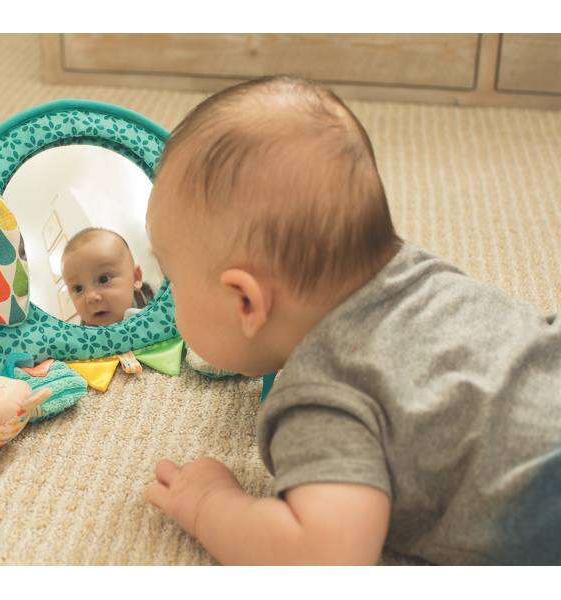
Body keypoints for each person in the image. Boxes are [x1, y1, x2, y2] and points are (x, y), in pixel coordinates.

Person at [144, 74, 561, 565]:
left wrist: (207, 505)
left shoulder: (323, 395)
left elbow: (325, 557)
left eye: (173, 280)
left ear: (247, 304)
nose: (169, 296)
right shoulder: (426, 274)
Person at [61, 227, 154, 326]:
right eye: (78, 288)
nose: (91, 297)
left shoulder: (154, 301)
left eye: (103, 279)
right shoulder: (86, 331)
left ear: (135, 278)